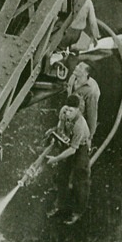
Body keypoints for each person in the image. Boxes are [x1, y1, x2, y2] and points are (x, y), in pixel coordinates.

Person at [46, 95, 91, 224]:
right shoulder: (64, 111)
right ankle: (60, 205)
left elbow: (73, 150)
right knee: (62, 176)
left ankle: (78, 211)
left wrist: (56, 159)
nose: (68, 113)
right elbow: (60, 126)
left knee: (80, 179)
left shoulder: (80, 125)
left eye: (71, 111)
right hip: (68, 143)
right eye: (67, 110)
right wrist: (57, 133)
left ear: (78, 110)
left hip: (79, 148)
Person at [67, 60, 101, 138]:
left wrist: (89, 136)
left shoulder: (91, 90)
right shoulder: (73, 78)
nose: (76, 67)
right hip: (69, 117)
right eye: (78, 65)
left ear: (86, 73)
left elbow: (92, 115)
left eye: (80, 67)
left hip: (80, 124)